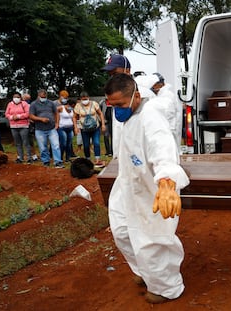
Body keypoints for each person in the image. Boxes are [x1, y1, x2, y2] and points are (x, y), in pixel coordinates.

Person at [104, 73, 190, 304]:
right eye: (112, 106)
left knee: (153, 239)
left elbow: (162, 148)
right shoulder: (130, 116)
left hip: (154, 189)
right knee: (122, 231)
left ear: (137, 96)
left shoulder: (151, 116)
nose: (117, 110)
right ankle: (144, 271)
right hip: (128, 186)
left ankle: (167, 287)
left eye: (120, 104)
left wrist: (166, 183)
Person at [102, 54, 155, 158]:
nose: (113, 78)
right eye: (110, 75)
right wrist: (116, 155)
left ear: (127, 70)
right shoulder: (115, 96)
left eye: (115, 73)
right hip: (123, 157)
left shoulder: (145, 95)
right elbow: (118, 130)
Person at [29, 89, 64, 168]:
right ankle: (46, 161)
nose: (43, 98)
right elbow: (31, 116)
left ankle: (58, 162)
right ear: (38, 96)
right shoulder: (33, 104)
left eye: (45, 97)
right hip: (40, 129)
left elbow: (56, 113)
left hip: (51, 128)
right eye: (42, 97)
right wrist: (41, 119)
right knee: (42, 146)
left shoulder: (51, 103)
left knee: (56, 145)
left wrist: (57, 123)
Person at [149, 72, 182, 148]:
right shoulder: (160, 95)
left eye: (153, 84)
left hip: (169, 130)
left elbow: (168, 115)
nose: (152, 87)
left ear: (160, 84)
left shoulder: (167, 95)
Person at [74, 91, 105, 167]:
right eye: (83, 99)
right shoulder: (78, 106)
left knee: (96, 143)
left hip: (95, 128)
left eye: (86, 99)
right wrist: (75, 127)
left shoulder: (94, 104)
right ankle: (88, 160)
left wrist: (103, 124)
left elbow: (100, 113)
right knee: (86, 145)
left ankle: (97, 160)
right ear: (81, 99)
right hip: (84, 129)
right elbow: (74, 117)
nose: (85, 100)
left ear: (89, 98)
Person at [5, 92, 32, 163]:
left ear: (20, 98)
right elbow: (6, 114)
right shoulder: (10, 104)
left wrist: (19, 116)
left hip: (23, 126)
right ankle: (20, 158)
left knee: (26, 142)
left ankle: (29, 158)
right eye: (14, 97)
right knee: (17, 143)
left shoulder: (24, 104)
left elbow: (27, 113)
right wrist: (12, 117)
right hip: (13, 126)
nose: (16, 98)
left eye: (17, 97)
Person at [57, 96, 77, 162]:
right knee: (63, 143)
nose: (72, 107)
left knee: (69, 144)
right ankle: (60, 157)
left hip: (70, 128)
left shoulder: (72, 110)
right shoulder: (61, 108)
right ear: (68, 104)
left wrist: (75, 127)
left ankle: (68, 158)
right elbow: (54, 112)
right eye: (72, 106)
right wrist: (56, 122)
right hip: (62, 128)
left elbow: (74, 118)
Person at [22, 93, 38, 162]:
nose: (28, 100)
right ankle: (24, 156)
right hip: (21, 125)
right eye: (26, 99)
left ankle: (34, 156)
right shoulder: (20, 105)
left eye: (29, 99)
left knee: (30, 141)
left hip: (29, 125)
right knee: (24, 142)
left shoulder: (30, 105)